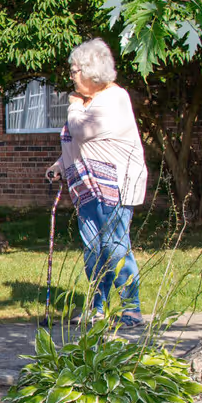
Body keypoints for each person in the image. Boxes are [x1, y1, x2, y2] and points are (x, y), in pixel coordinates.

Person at [47, 38, 148, 328]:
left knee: (115, 246)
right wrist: (60, 165)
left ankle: (132, 308)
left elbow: (81, 130)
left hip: (114, 184)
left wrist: (74, 107)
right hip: (87, 187)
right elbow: (76, 145)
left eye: (76, 69)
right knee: (94, 248)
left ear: (93, 72)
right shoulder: (88, 102)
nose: (72, 75)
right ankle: (97, 306)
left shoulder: (114, 99)